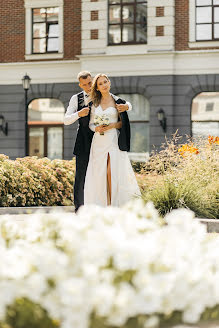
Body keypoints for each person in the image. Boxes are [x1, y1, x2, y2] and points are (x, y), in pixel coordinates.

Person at [64, 71, 131, 212]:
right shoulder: (76, 99)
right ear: (80, 85)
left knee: (103, 173)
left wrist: (127, 107)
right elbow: (66, 120)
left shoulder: (102, 96)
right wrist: (78, 114)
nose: (88, 86)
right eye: (84, 84)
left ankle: (105, 204)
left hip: (102, 140)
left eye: (90, 83)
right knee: (81, 176)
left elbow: (119, 102)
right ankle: (80, 210)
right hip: (83, 141)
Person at [84, 74, 141, 207]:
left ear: (109, 83)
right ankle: (101, 204)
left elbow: (123, 123)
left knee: (113, 171)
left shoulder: (118, 102)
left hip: (113, 140)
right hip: (98, 142)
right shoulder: (93, 103)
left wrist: (112, 126)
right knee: (99, 173)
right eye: (100, 84)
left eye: (105, 82)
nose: (104, 85)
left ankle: (113, 204)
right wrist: (96, 129)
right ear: (97, 88)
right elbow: (90, 124)